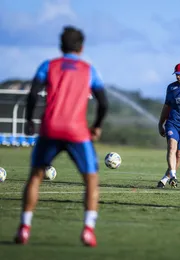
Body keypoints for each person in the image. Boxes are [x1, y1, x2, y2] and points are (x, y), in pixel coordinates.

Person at [14, 26, 108, 246]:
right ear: (82, 47)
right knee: (91, 179)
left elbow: (33, 93)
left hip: (50, 128)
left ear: (60, 46)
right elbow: (103, 102)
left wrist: (29, 120)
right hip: (77, 131)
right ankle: (88, 230)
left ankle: (24, 228)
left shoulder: (48, 66)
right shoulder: (89, 70)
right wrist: (96, 126)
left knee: (35, 176)